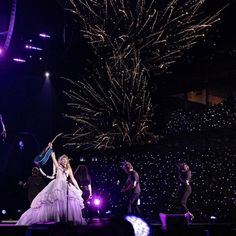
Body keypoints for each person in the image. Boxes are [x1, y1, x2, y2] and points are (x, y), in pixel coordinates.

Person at [16, 142, 86, 225]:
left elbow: (73, 179)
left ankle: (66, 219)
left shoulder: (69, 169)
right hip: (57, 185)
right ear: (61, 161)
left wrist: (78, 188)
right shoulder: (58, 167)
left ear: (67, 161)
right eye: (63, 160)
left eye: (65, 160)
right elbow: (53, 157)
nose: (64, 161)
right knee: (53, 201)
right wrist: (50, 148)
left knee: (68, 201)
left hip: (65, 186)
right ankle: (56, 219)